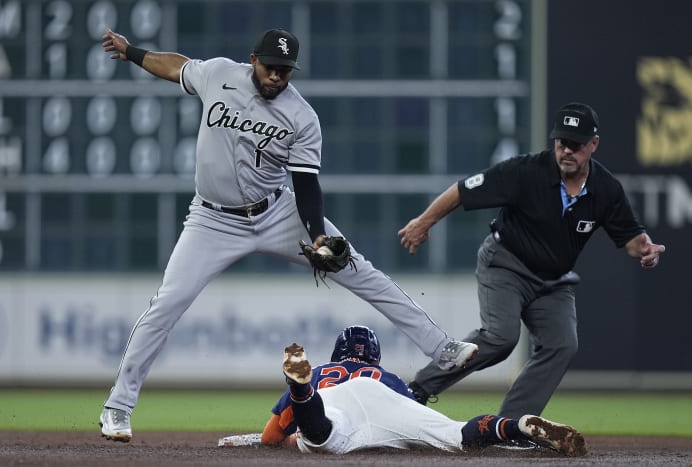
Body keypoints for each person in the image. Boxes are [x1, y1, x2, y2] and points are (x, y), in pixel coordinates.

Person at [97, 28, 478, 442]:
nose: (278, 76)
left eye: (286, 70)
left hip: (276, 211)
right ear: (253, 60)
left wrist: (316, 235)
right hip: (211, 220)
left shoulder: (301, 117)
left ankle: (441, 348)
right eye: (271, 67)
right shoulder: (219, 75)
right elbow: (176, 66)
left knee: (361, 272)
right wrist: (133, 52)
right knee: (167, 303)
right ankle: (117, 407)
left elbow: (306, 186)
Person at [398, 102, 666, 418]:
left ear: (593, 144)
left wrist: (644, 248)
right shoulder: (525, 172)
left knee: (563, 344)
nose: (567, 150)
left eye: (576, 144)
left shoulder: (605, 189)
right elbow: (462, 191)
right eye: (561, 142)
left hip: (553, 282)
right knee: (502, 338)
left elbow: (630, 238)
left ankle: (509, 424)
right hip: (506, 264)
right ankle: (418, 389)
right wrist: (423, 222)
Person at [253, 325, 586, 456]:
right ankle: (517, 424)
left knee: (322, 435)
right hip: (383, 397)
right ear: (375, 357)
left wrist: (291, 438)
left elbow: (270, 437)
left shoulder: (323, 373)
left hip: (328, 401)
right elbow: (410, 410)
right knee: (455, 435)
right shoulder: (387, 376)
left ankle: (300, 392)